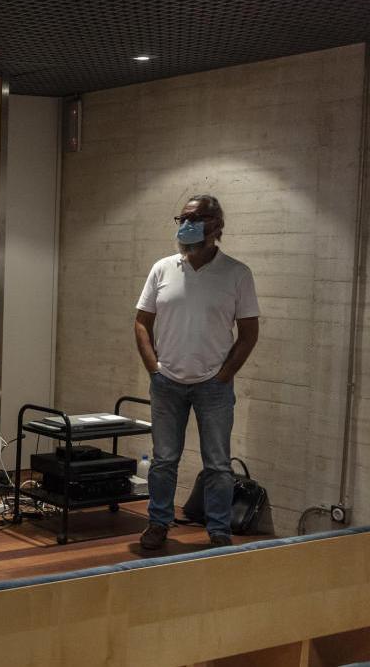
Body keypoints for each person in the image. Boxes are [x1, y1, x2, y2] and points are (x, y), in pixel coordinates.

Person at [134, 194, 259, 549]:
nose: (186, 225)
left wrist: (223, 376)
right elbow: (141, 323)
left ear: (216, 225)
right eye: (182, 219)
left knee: (218, 464)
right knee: (163, 460)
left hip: (213, 387)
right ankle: (158, 523)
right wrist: (153, 367)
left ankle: (218, 531)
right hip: (167, 383)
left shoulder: (236, 274)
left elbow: (249, 333)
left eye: (195, 218)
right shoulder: (162, 269)